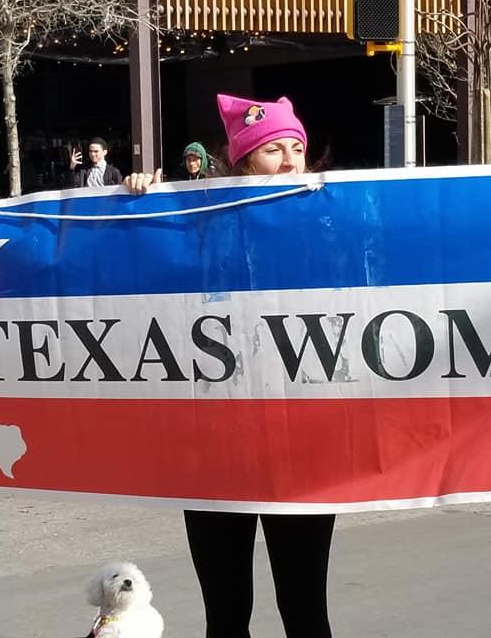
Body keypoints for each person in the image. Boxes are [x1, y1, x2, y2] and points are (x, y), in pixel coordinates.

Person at [125, 94, 333, 638]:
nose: (290, 161)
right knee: (225, 612)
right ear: (243, 162)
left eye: (297, 148)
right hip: (215, 447)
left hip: (299, 447)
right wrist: (139, 205)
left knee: (306, 610)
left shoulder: (331, 221)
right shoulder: (202, 222)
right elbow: (141, 274)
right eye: (273, 150)